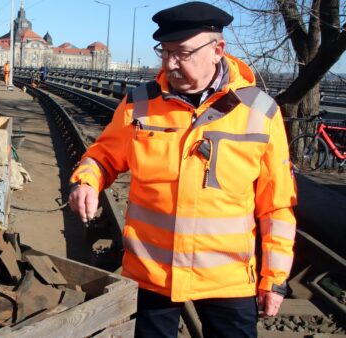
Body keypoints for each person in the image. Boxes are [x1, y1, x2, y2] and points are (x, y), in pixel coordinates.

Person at [68, 2, 297, 337]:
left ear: (218, 49)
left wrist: (274, 280)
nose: (171, 64)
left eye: (183, 53)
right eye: (165, 52)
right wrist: (86, 181)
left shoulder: (260, 111)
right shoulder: (140, 104)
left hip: (228, 282)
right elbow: (103, 155)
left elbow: (276, 205)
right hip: (151, 275)